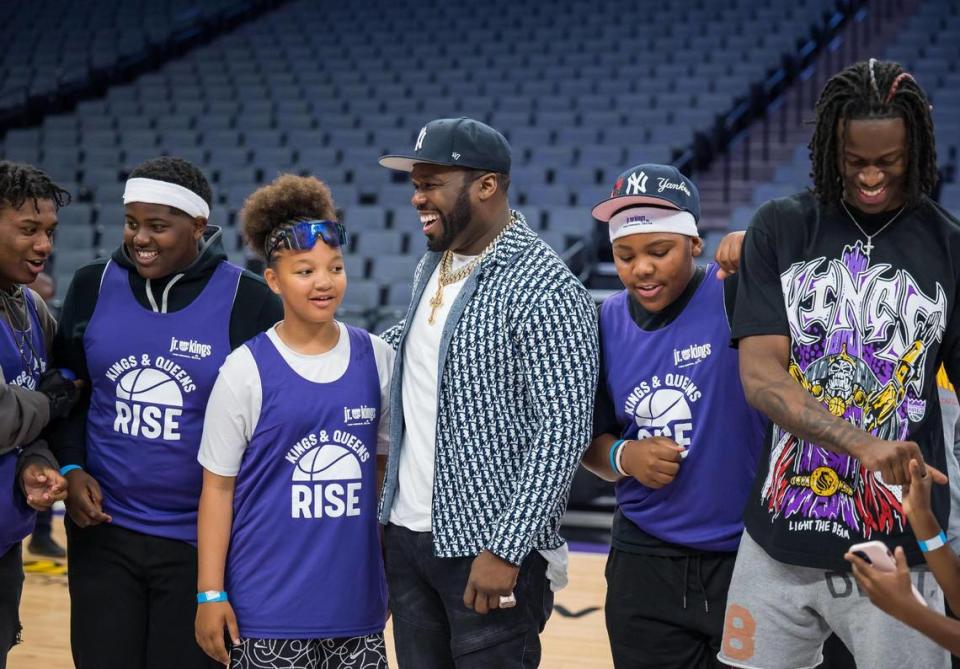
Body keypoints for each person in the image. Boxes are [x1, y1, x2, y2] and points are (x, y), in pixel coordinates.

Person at [718, 59, 958, 668]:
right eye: (855, 162)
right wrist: (861, 443)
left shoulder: (950, 248)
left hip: (899, 550)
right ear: (831, 149)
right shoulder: (780, 228)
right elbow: (763, 378)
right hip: (777, 537)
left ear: (918, 149)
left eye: (890, 161)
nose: (872, 177)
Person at [376, 117, 599, 667]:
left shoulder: (545, 285)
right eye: (415, 183)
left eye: (431, 183)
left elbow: (563, 427)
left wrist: (507, 546)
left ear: (486, 185)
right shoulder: (434, 262)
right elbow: (412, 347)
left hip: (487, 548)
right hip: (408, 536)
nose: (417, 198)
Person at [49, 157, 283, 669]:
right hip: (103, 532)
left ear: (198, 226)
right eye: (132, 223)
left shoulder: (251, 300)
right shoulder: (92, 285)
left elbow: (273, 421)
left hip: (200, 543)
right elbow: (66, 393)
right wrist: (71, 468)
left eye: (158, 225)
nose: (140, 238)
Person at [193, 174, 392, 668]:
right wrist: (209, 595)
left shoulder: (378, 358)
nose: (324, 282)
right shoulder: (244, 370)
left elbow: (383, 475)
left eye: (335, 268)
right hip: (266, 612)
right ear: (274, 280)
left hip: (357, 612)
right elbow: (217, 491)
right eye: (305, 271)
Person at [581, 163, 766, 668]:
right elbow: (590, 442)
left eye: (659, 251)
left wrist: (768, 247)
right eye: (625, 255)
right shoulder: (603, 322)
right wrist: (624, 455)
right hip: (645, 561)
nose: (641, 267)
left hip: (746, 555)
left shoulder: (737, 293)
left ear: (695, 244)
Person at [0, 161, 78, 668]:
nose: (44, 246)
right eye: (28, 230)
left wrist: (36, 461)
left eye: (49, 232)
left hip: (5, 542)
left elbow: (42, 419)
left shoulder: (31, 306)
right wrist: (51, 402)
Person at [24, 271, 66, 560]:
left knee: (46, 473)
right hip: (29, 415)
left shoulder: (39, 313)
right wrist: (48, 403)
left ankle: (40, 536)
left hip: (38, 424)